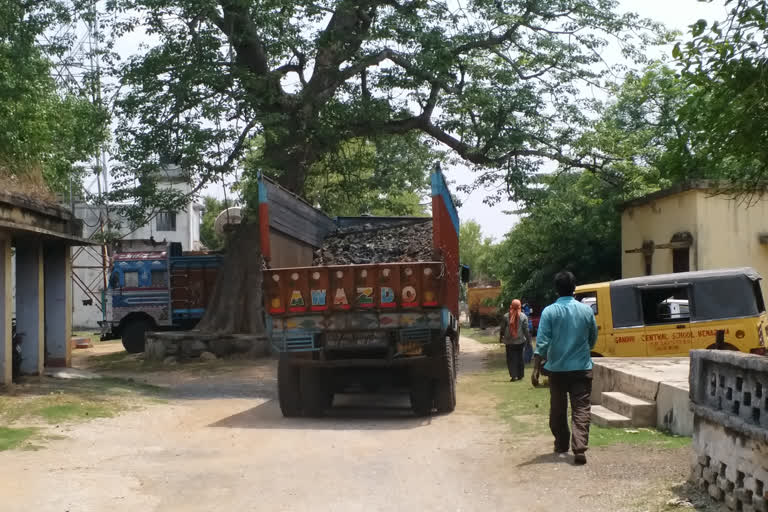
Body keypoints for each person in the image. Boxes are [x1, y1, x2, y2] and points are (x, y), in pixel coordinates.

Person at [531, 271, 598, 465]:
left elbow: (542, 342)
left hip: (557, 370)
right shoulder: (586, 311)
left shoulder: (549, 312)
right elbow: (592, 337)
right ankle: (579, 447)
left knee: (558, 409)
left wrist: (536, 369)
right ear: (574, 288)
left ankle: (561, 444)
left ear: (556, 289)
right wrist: (584, 349)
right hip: (581, 369)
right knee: (582, 408)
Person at [499, 299, 532, 381]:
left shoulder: (506, 316)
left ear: (511, 306)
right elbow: (526, 330)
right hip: (520, 341)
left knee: (511, 359)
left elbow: (502, 328)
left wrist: (501, 336)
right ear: (520, 306)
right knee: (520, 358)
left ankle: (514, 376)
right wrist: (529, 340)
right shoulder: (523, 316)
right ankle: (520, 375)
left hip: (509, 342)